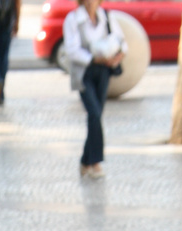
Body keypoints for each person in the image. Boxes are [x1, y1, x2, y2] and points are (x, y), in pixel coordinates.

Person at [63, 0, 127, 178]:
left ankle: (85, 161)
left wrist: (117, 56)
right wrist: (93, 58)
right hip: (84, 72)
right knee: (94, 114)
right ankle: (95, 162)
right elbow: (71, 50)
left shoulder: (107, 17)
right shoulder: (73, 19)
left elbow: (122, 42)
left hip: (104, 71)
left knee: (97, 116)